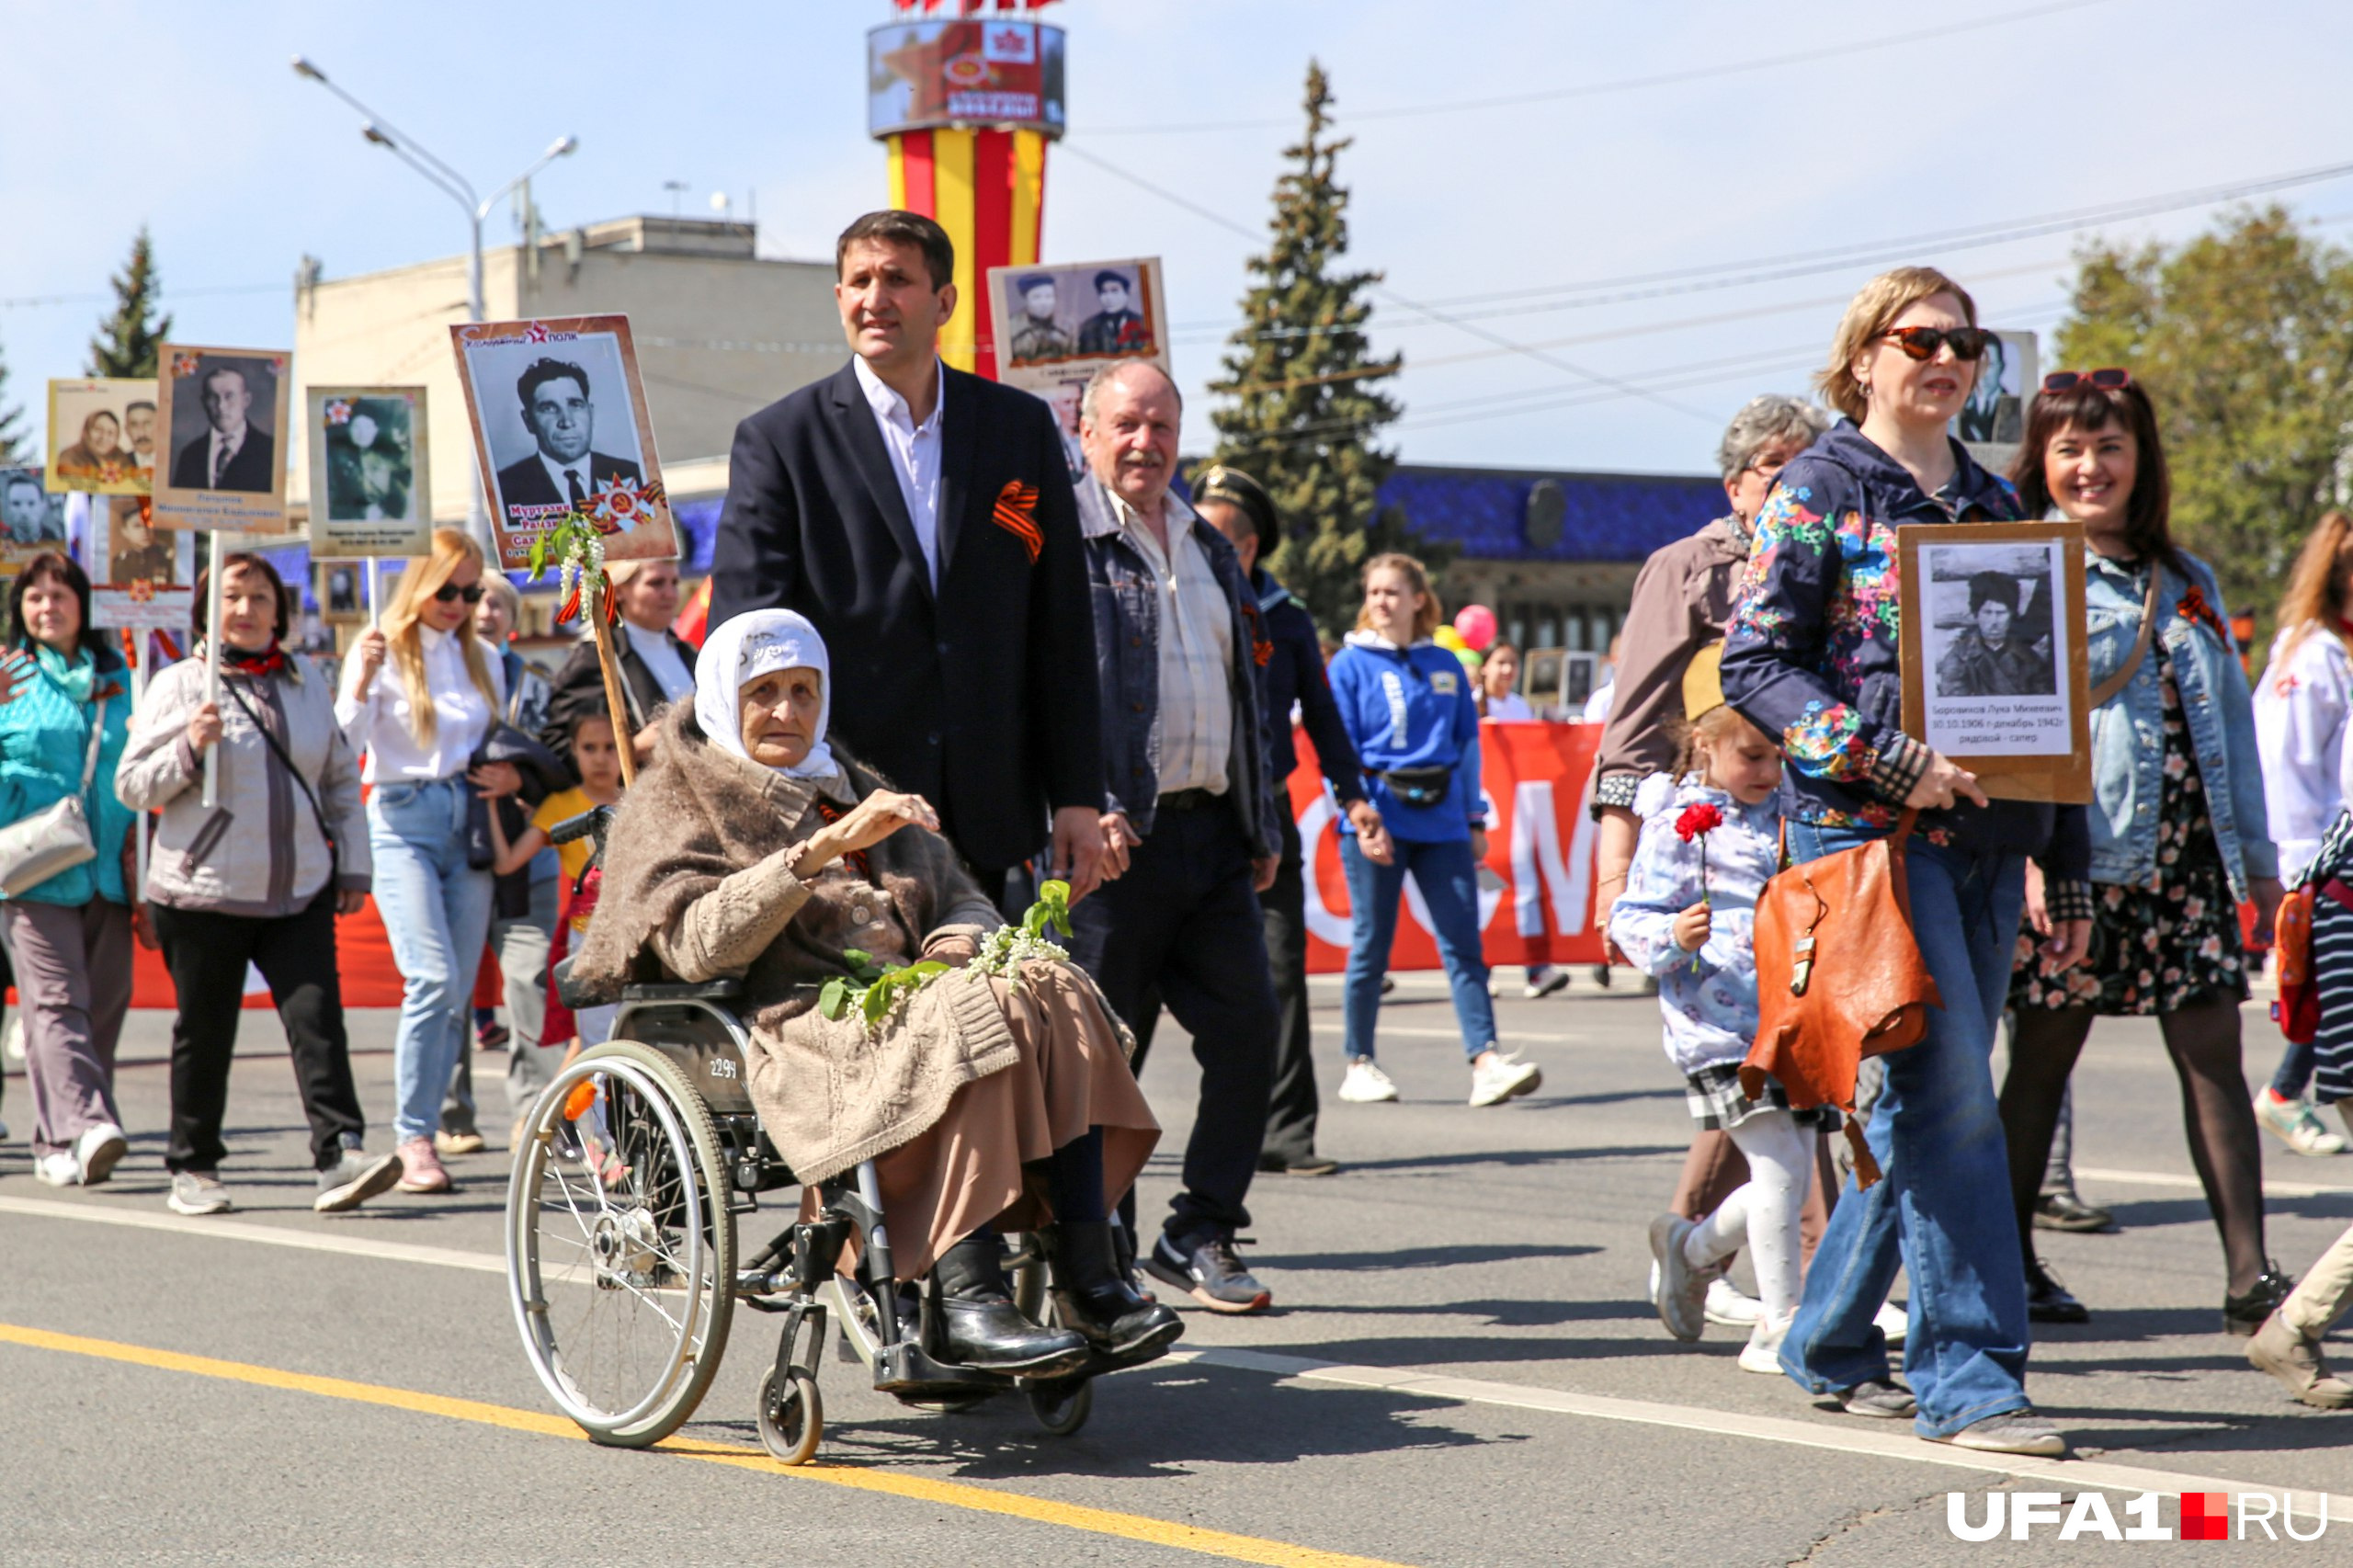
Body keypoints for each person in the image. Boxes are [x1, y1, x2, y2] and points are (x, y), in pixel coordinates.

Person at [568, 608, 1182, 1374]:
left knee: (1048, 982)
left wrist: (954, 944)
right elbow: (694, 944)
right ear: (727, 695)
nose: (788, 711)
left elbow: (960, 895)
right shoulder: (676, 800)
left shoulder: (846, 778)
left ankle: (1090, 1280)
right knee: (967, 1012)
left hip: (906, 998)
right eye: (764, 692)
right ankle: (966, 1300)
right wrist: (816, 852)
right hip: (791, 1021)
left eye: (804, 689)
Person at [1720, 266, 2091, 1458]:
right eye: (1919, 335)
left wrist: (2066, 865)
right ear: (1865, 355)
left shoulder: (1996, 506)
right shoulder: (1823, 486)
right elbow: (1756, 665)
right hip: (1869, 836)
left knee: (1925, 1097)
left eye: (1965, 341)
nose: (1945, 356)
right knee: (1951, 1099)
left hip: (1994, 836)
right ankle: (1970, 1373)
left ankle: (1826, 1335)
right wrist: (1882, 759)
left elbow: (2052, 702)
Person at [1995, 371, 2290, 1332]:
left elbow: (2234, 730)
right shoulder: (2018, 564)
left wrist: (2255, 860)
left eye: (2110, 445)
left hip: (2186, 858)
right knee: (2040, 1064)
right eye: (2069, 448)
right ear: (2039, 460)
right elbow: (2010, 725)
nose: (2091, 467)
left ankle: (2250, 1279)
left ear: (2140, 457)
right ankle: (2005, 1266)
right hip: (2075, 855)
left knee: (2212, 1055)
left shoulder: (2188, 576)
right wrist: (2034, 855)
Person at [710, 210, 1102, 902]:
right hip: (842, 812)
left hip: (989, 812)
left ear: (944, 301)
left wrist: (1077, 793)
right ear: (838, 299)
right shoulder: (780, 441)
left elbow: (1060, 623)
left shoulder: (1018, 428)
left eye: (897, 279)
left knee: (987, 1006)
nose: (874, 298)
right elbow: (746, 638)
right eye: (858, 280)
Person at [1067, 360, 1285, 1313]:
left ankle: (1198, 1227)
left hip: (1212, 840)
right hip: (1109, 846)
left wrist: (1260, 813)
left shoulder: (1211, 544)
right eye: (1124, 423)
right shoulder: (1062, 546)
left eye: (1159, 424)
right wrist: (1075, 802)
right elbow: (1047, 700)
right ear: (1086, 433)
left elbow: (1247, 695)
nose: (1143, 441)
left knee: (1249, 1034)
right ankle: (1091, 1245)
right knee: (1097, 1058)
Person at [115, 552, 402, 1216]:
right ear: (208, 607)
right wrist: (188, 746)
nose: (245, 610)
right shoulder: (182, 685)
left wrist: (353, 865)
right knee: (205, 1033)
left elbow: (336, 778)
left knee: (317, 1023)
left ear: (281, 609)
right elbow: (131, 784)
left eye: (259, 597)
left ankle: (339, 1154)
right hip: (202, 890)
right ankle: (193, 1168)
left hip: (298, 887)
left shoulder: (306, 682)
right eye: (232, 596)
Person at [1615, 648, 1835, 1373]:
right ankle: (1780, 1324)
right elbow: (1630, 919)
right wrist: (1673, 937)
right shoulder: (1678, 824)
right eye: (1752, 756)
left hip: (1792, 1020)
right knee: (1777, 1171)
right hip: (1718, 1027)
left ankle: (1690, 1248)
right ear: (1702, 744)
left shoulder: (1789, 809)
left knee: (1789, 1174)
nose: (1769, 771)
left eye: (1778, 756)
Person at [1193, 463, 1381, 1179]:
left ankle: (1286, 1134)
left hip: (1262, 814)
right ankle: (1097, 1147)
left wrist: (1353, 796)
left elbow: (1324, 716)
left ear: (1244, 549)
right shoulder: (1172, 600)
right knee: (1136, 986)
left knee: (1280, 971)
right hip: (1182, 811)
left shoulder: (1288, 617)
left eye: (1211, 534)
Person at [336, 528, 517, 1195]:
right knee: (433, 977)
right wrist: (357, 680)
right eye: (447, 589)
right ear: (420, 583)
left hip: (466, 818)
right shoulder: (379, 647)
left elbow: (493, 744)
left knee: (456, 990)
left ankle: (428, 1132)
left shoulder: (485, 658)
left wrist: (510, 781)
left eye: (470, 592)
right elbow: (341, 744)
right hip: (400, 816)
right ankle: (413, 1135)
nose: (459, 603)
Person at [1328, 551, 1543, 1111]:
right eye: (1374, 592)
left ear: (1418, 599)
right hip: (1376, 817)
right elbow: (1340, 750)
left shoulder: (1445, 665)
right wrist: (1357, 814)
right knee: (1371, 947)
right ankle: (1359, 1062)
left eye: (1392, 592)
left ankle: (1486, 1063)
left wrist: (1474, 820)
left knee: (1463, 945)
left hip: (1444, 821)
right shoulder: (1349, 665)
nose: (1381, 602)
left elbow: (1467, 749)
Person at [0, 554, 135, 1187]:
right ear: (19, 611)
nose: (47, 606)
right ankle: (89, 1124)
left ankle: (56, 1141)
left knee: (103, 1007)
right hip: (33, 871)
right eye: (34, 597)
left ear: (85, 605)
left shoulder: (119, 678)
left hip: (108, 870)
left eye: (60, 594)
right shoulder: (7, 678)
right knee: (55, 1006)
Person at [2251, 510, 2353, 1155]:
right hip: (2326, 863)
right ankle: (2286, 1094)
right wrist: (2296, 868)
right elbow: (2283, 764)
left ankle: (2287, 1092)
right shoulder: (2312, 654)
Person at [452, 576, 563, 1151]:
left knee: (529, 976)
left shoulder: (537, 686)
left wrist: (522, 778)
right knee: (449, 984)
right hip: (456, 853)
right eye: (477, 600)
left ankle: (534, 1112)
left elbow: (563, 761)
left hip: (528, 853)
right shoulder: (439, 676)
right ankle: (452, 1116)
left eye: (499, 602)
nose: (486, 611)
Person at [491, 710, 624, 1049]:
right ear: (574, 751)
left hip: (640, 934)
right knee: (598, 1041)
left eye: (610, 747)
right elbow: (507, 863)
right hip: (588, 936)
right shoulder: (561, 806)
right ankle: (594, 1104)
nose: (600, 759)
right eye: (589, 748)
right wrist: (491, 802)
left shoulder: (642, 796)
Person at [541, 556, 696, 773]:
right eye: (656, 583)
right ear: (620, 591)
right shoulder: (597, 657)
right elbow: (559, 748)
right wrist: (631, 749)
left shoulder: (687, 652)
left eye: (674, 583)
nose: (670, 594)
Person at [491, 359, 643, 521]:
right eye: (549, 408)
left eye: (575, 405)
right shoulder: (503, 490)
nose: (567, 422)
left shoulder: (636, 477)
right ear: (528, 421)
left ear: (590, 413)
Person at [1935, 573, 2052, 697]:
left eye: (2001, 613)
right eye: (1987, 612)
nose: (1994, 621)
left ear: (2011, 615)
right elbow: (1955, 702)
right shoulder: (1960, 657)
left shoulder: (2029, 659)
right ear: (1976, 614)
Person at [169, 365, 276, 494]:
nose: (221, 406)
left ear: (246, 400)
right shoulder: (190, 455)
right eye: (213, 397)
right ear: (204, 402)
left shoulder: (270, 451)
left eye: (229, 396)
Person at [1075, 269, 1148, 357]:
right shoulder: (1089, 328)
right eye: (1104, 292)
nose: (1109, 298)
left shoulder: (1144, 324)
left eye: (1114, 291)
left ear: (1127, 293)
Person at [1006, 274, 1074, 365]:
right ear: (1026, 299)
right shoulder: (1011, 326)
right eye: (1036, 297)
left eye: (1049, 296)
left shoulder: (1067, 325)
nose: (1044, 303)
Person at [55, 409, 133, 485]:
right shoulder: (69, 457)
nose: (104, 437)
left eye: (110, 433)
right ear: (86, 431)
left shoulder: (120, 457)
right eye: (98, 430)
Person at [108, 506, 174, 585]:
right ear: (125, 531)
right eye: (137, 526)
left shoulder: (167, 557)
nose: (144, 530)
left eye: (148, 525)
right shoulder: (120, 563)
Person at [1480, 642, 1534, 722]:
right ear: (1484, 667)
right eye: (1501, 663)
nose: (1508, 669)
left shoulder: (1521, 706)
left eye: (1513, 663)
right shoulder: (1471, 702)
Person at [3, 472, 60, 544]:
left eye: (31, 503)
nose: (24, 512)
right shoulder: (3, 544)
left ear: (43, 506)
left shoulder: (57, 541)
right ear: (7, 508)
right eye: (16, 504)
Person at [122, 401, 157, 473]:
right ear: (127, 430)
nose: (141, 433)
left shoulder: (172, 461)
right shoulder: (118, 464)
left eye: (147, 424)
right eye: (134, 425)